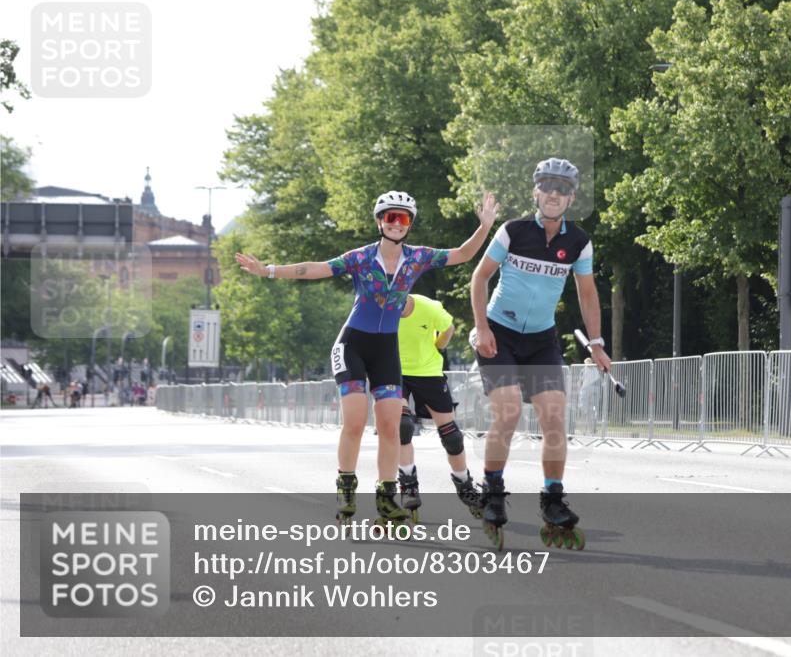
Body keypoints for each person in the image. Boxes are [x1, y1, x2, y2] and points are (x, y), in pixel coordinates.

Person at [237, 190, 498, 527]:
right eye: (390, 217)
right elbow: (315, 269)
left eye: (402, 218)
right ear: (379, 221)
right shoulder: (361, 257)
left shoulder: (418, 257)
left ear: (409, 224)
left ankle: (387, 498)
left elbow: (462, 254)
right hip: (353, 346)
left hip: (386, 349)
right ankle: (346, 487)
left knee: (393, 426)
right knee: (356, 422)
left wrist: (485, 226)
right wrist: (268, 270)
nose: (396, 223)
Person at [470, 158, 612, 550]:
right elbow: (479, 277)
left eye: (561, 189)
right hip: (499, 334)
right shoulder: (512, 231)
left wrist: (597, 344)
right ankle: (493, 491)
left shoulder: (578, 241)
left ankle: (552, 501)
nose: (553, 194)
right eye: (546, 186)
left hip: (541, 340)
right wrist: (481, 327)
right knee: (510, 410)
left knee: (554, 416)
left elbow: (587, 293)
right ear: (535, 192)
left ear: (571, 198)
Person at [395, 294, 482, 522]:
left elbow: (449, 328)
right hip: (394, 372)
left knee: (452, 436)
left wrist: (437, 347)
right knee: (403, 426)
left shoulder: (429, 306)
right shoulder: (378, 307)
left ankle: (464, 484)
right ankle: (408, 484)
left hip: (428, 372)